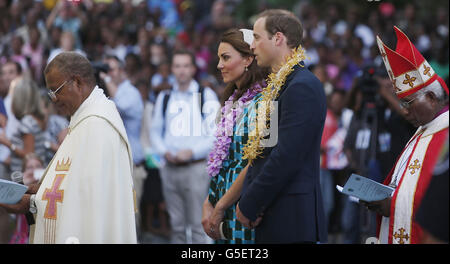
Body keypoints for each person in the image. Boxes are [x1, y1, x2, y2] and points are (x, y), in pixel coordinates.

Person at [0, 52, 137, 244]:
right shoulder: (85, 121)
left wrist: (31, 203)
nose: (53, 99)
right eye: (50, 93)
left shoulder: (97, 126)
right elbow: (75, 181)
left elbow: (89, 199)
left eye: (56, 90)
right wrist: (39, 189)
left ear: (78, 83)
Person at [235, 9, 328, 244]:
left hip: (291, 217)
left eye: (257, 37)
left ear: (278, 38)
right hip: (274, 211)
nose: (252, 46)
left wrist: (249, 203)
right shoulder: (280, 85)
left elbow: (286, 156)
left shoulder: (302, 86)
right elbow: (262, 153)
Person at [362, 26, 449, 244]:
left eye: (408, 103)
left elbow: (438, 201)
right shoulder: (422, 130)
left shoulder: (444, 132)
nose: (405, 111)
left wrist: (390, 204)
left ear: (430, 97)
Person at [201, 28, 268, 244]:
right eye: (219, 58)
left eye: (226, 57)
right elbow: (223, 160)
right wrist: (208, 202)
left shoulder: (264, 102)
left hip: (244, 208)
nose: (219, 65)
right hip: (223, 207)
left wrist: (220, 205)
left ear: (248, 59)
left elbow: (254, 164)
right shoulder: (231, 101)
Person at [150, 50, 220, 244]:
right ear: (172, 69)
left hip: (196, 168)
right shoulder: (165, 97)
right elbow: (155, 131)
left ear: (193, 69)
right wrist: (164, 151)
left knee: (199, 224)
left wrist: (192, 152)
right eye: (177, 66)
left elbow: (215, 133)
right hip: (170, 168)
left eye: (185, 66)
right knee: (177, 225)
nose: (181, 70)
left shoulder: (206, 95)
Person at [100, 55, 146, 236]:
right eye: (106, 70)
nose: (108, 74)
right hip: (113, 165)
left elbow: (117, 110)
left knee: (130, 217)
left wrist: (106, 80)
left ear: (122, 71)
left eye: (111, 69)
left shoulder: (130, 92)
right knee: (113, 219)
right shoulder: (101, 93)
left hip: (132, 165)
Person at [9, 153, 44, 244]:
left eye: (38, 166)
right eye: (29, 167)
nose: (34, 170)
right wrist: (24, 185)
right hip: (22, 239)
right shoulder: (18, 188)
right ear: (23, 172)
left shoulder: (49, 189)